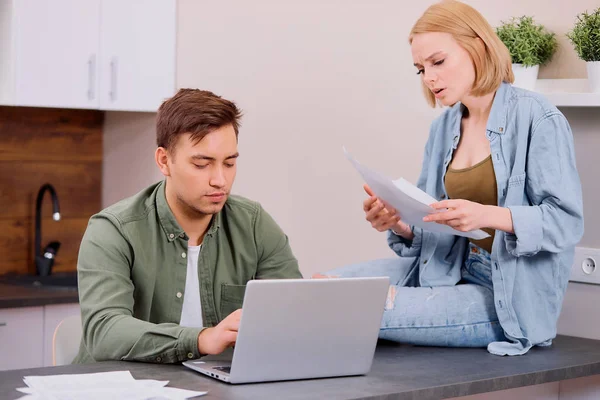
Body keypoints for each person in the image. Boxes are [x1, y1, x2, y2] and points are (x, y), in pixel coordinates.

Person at [318, 0, 583, 356]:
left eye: (438, 62)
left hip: (502, 295)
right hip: (445, 268)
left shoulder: (538, 118)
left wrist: (485, 215)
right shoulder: (444, 126)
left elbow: (565, 222)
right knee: (318, 290)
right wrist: (400, 224)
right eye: (420, 69)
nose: (429, 77)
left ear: (477, 47)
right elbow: (433, 219)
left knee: (355, 308)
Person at [73, 89, 302, 364]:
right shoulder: (113, 230)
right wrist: (202, 339)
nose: (220, 180)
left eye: (229, 163)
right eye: (202, 164)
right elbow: (104, 331)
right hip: (124, 388)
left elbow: (288, 319)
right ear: (164, 161)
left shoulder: (253, 224)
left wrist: (310, 306)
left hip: (215, 389)